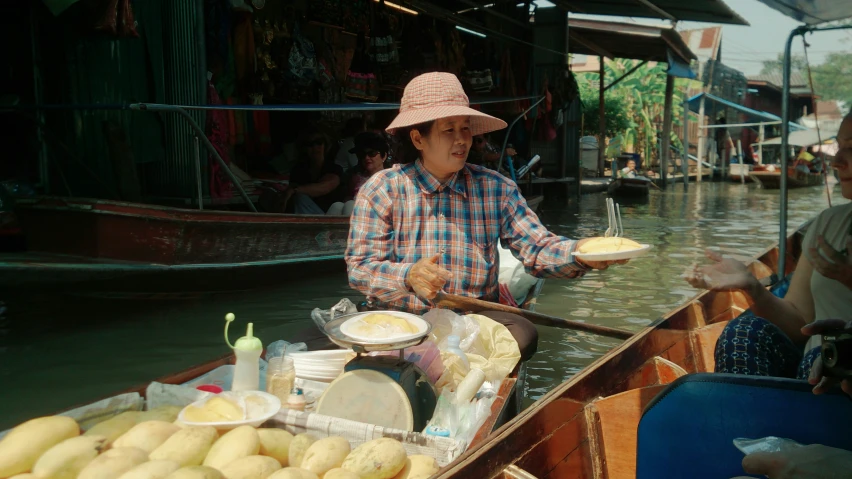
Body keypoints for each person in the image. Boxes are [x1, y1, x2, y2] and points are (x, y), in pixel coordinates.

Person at [345, 72, 628, 361]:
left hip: (474, 322)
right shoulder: (382, 190)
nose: (461, 141)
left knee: (523, 335)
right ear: (418, 138)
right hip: (402, 323)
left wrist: (583, 253)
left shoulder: (496, 188)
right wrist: (408, 275)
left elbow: (538, 249)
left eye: (465, 129)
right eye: (448, 130)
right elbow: (360, 268)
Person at [283, 127, 345, 214]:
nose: (315, 147)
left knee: (300, 197)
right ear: (304, 148)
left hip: (330, 215)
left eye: (319, 142)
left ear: (325, 145)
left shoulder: (334, 168)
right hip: (304, 213)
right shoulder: (298, 170)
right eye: (310, 144)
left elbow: (326, 186)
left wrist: (295, 190)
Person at [327, 131, 388, 216]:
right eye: (362, 154)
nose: (366, 158)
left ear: (384, 156)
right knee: (336, 206)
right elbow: (348, 198)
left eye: (372, 153)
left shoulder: (390, 178)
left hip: (377, 218)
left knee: (350, 205)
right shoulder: (356, 178)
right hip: (356, 214)